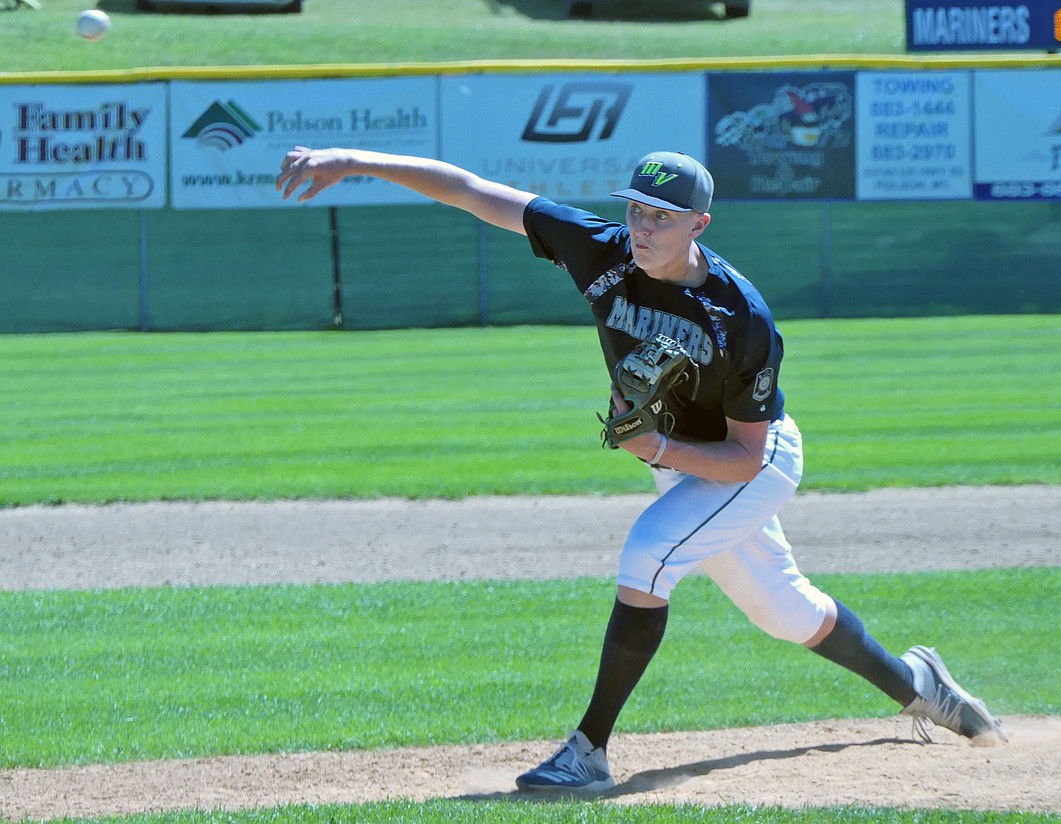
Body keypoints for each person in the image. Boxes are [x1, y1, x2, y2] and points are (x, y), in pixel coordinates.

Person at [276, 146, 1006, 793]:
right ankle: (919, 684)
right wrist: (352, 160)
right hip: (683, 464)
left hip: (751, 463)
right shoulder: (600, 252)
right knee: (786, 613)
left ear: (699, 225)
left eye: (662, 215)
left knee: (647, 556)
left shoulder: (742, 319)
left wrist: (657, 450)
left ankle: (588, 751)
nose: (643, 227)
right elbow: (471, 189)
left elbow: (746, 455)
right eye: (635, 210)